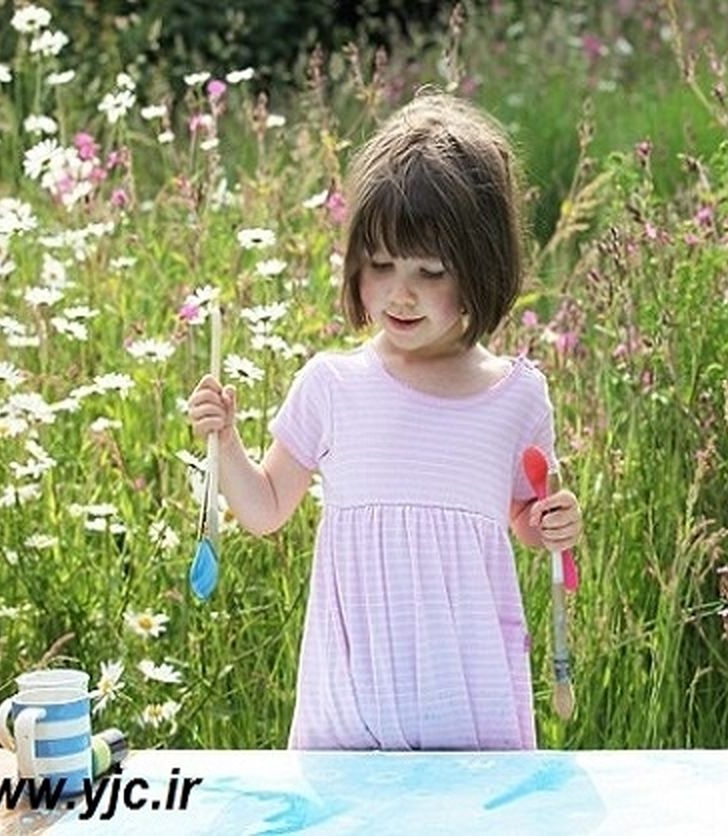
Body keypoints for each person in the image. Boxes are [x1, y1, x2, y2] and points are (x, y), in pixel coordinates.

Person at [187, 92, 582, 751]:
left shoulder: (517, 398)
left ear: (481, 269)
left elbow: (524, 518)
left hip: (469, 711)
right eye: (380, 265)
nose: (400, 293)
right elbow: (265, 508)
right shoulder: (332, 386)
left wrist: (553, 525)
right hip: (351, 716)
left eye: (431, 271)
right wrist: (225, 442)